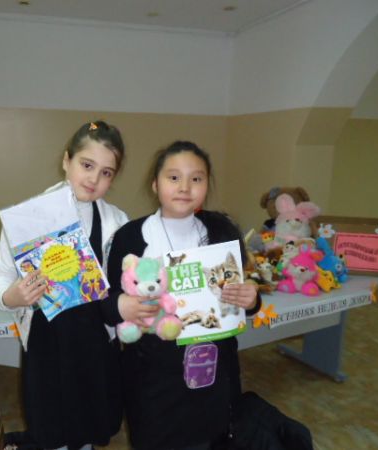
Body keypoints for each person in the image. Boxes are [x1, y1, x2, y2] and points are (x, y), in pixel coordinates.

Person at [102, 140, 262, 450]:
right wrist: (122, 306)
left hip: (213, 370)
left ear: (207, 185)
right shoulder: (130, 237)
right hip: (152, 376)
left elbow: (240, 302)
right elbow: (106, 305)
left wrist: (251, 300)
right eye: (173, 177)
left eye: (196, 178)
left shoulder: (222, 233)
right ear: (155, 184)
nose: (185, 187)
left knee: (213, 440)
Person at [0, 121, 128, 450]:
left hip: (96, 344)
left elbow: (128, 283)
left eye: (106, 172)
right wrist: (12, 296)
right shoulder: (28, 218)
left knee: (89, 427)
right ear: (67, 160)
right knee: (51, 429)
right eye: (87, 165)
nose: (94, 179)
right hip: (48, 344)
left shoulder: (117, 222)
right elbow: (0, 276)